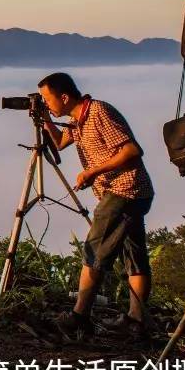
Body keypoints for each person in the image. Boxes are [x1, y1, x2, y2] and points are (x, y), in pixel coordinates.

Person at [36, 72, 154, 340]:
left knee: (94, 252)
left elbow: (132, 151)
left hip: (124, 190)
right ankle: (136, 321)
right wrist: (45, 121)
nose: (46, 103)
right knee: (134, 256)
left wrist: (92, 172)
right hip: (132, 193)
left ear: (64, 97)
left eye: (47, 98)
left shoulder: (99, 112)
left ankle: (78, 317)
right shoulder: (78, 119)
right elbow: (59, 143)